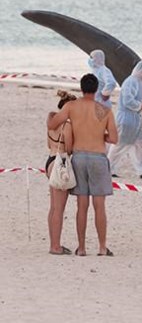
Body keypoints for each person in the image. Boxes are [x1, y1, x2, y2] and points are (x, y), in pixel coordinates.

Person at [47, 74, 118, 257]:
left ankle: (82, 248)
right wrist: (99, 135)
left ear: (81, 88)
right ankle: (102, 247)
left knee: (82, 205)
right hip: (98, 157)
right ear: (96, 89)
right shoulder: (104, 110)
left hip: (78, 157)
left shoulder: (72, 106)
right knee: (99, 205)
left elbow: (53, 123)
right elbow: (114, 138)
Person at [107, 60, 142, 179]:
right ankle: (108, 167)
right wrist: (141, 106)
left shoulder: (140, 82)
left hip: (135, 118)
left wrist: (140, 106)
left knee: (139, 144)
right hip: (126, 118)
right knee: (120, 143)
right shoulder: (131, 81)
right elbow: (128, 101)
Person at [45, 90, 77, 255]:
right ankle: (55, 246)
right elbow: (70, 149)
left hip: (50, 160)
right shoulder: (67, 125)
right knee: (59, 208)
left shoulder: (51, 121)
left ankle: (53, 243)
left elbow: (48, 143)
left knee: (53, 207)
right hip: (61, 163)